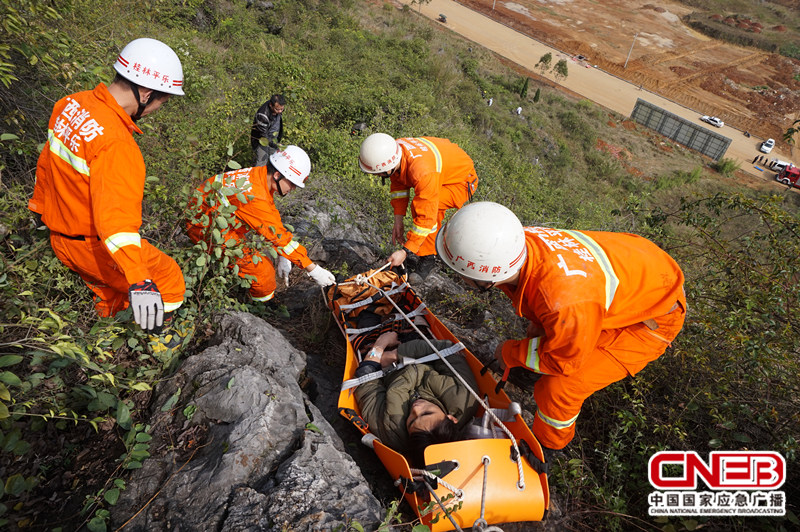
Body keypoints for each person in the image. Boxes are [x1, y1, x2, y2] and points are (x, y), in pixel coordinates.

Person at [435, 202, 686, 452]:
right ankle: (534, 370)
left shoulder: (565, 301)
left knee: (559, 388)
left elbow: (565, 360)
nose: (458, 277)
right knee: (539, 334)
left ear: (485, 277)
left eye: (458, 272)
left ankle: (547, 447)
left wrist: (509, 353)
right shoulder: (511, 243)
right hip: (636, 270)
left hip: (650, 318)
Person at [28, 38, 187, 333]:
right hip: (89, 246)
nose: (157, 110)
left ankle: (107, 333)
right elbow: (117, 224)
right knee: (170, 278)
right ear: (146, 93)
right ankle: (156, 343)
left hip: (58, 235)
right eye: (162, 102)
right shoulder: (117, 145)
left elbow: (46, 163)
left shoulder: (71, 104)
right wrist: (140, 279)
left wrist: (38, 208)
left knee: (108, 290)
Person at [187, 146, 335, 303]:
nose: (292, 189)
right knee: (262, 273)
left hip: (214, 217)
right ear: (277, 175)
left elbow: (271, 215)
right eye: (291, 184)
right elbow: (276, 236)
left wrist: (282, 255)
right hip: (204, 225)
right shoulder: (254, 196)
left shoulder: (259, 176)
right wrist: (313, 269)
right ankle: (259, 307)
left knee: (261, 260)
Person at [357, 133, 479, 278]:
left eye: (377, 174)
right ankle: (420, 250)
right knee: (422, 203)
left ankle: (428, 257)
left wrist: (405, 251)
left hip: (462, 181)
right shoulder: (392, 150)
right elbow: (399, 182)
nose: (376, 176)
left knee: (429, 206)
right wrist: (398, 219)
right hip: (440, 171)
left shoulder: (422, 172)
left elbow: (427, 218)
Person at [354, 328, 480, 466]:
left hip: (380, 364)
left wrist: (380, 345)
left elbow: (365, 379)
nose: (416, 408)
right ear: (451, 418)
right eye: (427, 412)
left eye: (411, 421)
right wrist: (395, 354)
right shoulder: (464, 397)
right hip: (415, 349)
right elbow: (446, 350)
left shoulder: (390, 429)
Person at [250, 94, 285, 166]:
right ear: (271, 105)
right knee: (262, 162)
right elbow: (264, 135)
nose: (280, 111)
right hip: (261, 140)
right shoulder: (262, 115)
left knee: (274, 161)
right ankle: (257, 177)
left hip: (273, 139)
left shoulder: (278, 108)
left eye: (282, 109)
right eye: (277, 109)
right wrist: (276, 144)